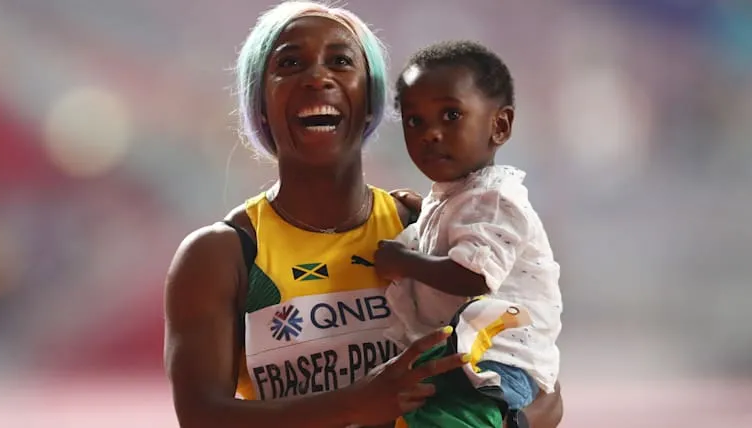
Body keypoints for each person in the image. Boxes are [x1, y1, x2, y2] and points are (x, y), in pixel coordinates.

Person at [163, 2, 563, 427]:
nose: (318, 77)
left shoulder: (422, 227)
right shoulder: (221, 256)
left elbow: (544, 393)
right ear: (260, 104)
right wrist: (353, 406)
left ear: (371, 103)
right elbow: (202, 416)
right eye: (291, 62)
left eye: (340, 62)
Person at [373, 41, 562, 428]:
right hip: (462, 358)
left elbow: (471, 275)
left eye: (451, 115)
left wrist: (403, 260)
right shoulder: (457, 195)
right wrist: (421, 215)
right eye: (415, 121)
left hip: (498, 361)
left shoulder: (494, 200)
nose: (430, 134)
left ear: (500, 125)